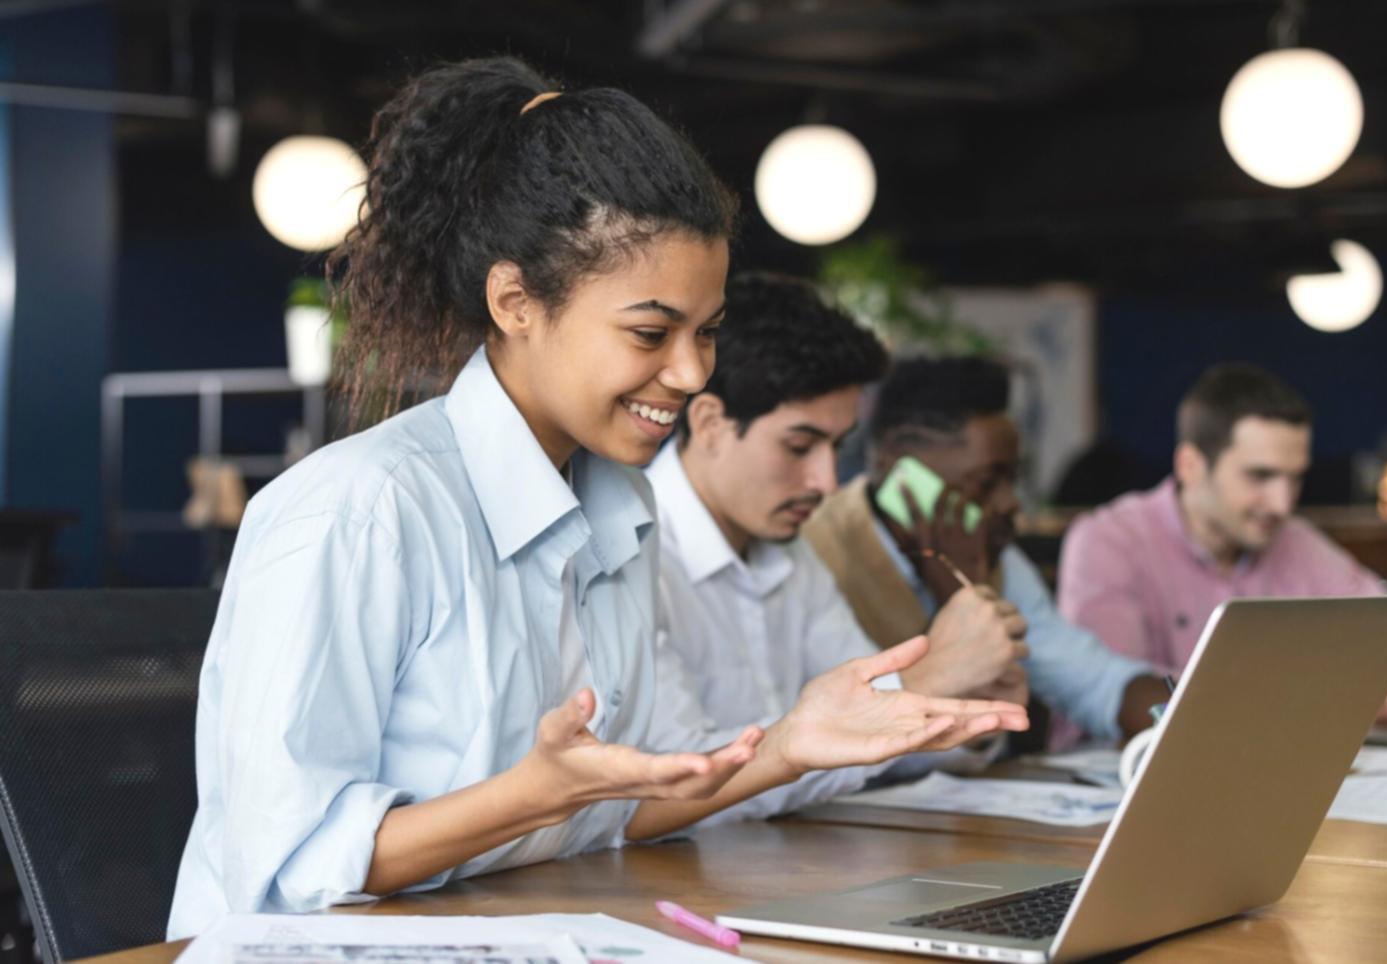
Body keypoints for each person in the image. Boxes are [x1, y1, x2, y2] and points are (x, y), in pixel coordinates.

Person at [167, 57, 1026, 937]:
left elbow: (616, 805)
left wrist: (789, 744)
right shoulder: (359, 514)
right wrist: (530, 797)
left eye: (707, 334)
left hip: (510, 930)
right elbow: (289, 872)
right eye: (651, 332)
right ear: (516, 302)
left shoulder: (617, 509)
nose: (691, 374)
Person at [646, 274, 1033, 820]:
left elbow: (852, 754)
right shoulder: (630, 553)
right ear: (709, 423)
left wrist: (964, 715)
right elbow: (664, 793)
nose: (825, 482)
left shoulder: (793, 553)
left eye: (836, 447)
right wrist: (930, 680)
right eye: (800, 446)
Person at [1058, 362, 1387, 730]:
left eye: (1295, 478)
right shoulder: (1108, 541)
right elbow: (1118, 694)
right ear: (1190, 465)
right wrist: (1329, 695)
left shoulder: (1298, 542)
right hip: (1111, 789)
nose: (1282, 504)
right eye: (1260, 476)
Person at [804, 356, 1167, 749]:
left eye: (1012, 479)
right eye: (986, 481)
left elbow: (1091, 678)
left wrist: (1185, 719)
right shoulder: (816, 552)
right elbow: (844, 740)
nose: (1011, 503)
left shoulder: (995, 559)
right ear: (897, 467)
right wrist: (959, 604)